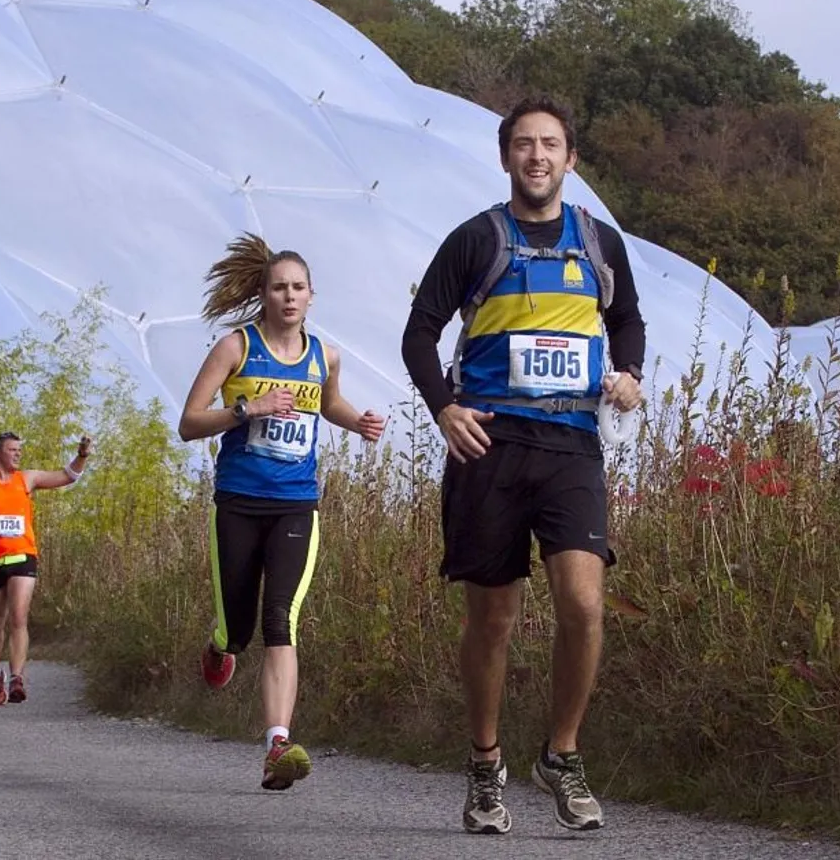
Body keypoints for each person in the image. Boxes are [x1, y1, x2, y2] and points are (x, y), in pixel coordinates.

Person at [400, 95, 647, 834]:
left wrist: (630, 374)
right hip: (490, 445)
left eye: (550, 145)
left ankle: (561, 755)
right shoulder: (476, 239)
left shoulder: (599, 242)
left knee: (584, 603)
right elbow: (419, 333)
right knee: (493, 617)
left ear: (570, 159)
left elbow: (627, 319)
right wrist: (445, 408)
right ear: (506, 156)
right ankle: (485, 765)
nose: (537, 156)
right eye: (524, 145)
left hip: (571, 443)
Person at [177, 233, 386, 791]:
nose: (289, 297)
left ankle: (277, 745)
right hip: (239, 504)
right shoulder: (236, 348)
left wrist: (358, 422)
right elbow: (189, 423)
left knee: (281, 620)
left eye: (298, 288)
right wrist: (248, 409)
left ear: (312, 295)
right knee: (238, 628)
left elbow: (328, 402)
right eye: (279, 288)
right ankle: (220, 645)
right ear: (263, 294)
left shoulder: (325, 356)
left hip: (297, 505)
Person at [0, 432, 92, 705]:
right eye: (12, 450)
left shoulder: (27, 479)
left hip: (23, 557)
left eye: (19, 450)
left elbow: (68, 476)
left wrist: (82, 455)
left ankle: (17, 678)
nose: (18, 454)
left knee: (19, 617)